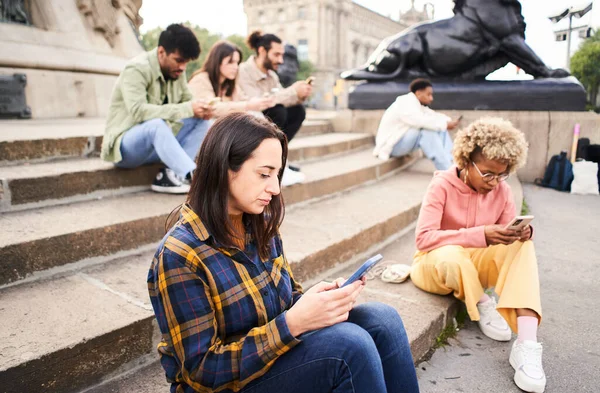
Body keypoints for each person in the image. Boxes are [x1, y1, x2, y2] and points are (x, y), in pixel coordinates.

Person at [147, 112, 419, 393]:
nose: (275, 188)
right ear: (224, 167)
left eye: (277, 175)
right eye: (264, 174)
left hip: (271, 358)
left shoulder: (259, 223)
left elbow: (288, 299)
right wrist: (294, 322)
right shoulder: (180, 254)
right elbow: (202, 371)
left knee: (382, 320)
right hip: (223, 386)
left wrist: (320, 302)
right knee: (348, 346)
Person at [410, 117, 545, 393]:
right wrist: (480, 234)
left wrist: (518, 234)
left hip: (474, 263)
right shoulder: (441, 186)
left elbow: (504, 237)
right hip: (432, 264)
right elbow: (424, 239)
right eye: (487, 174)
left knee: (523, 247)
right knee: (452, 255)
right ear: (465, 161)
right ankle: (483, 302)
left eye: (501, 175)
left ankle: (527, 345)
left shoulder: (502, 191)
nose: (495, 182)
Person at [101, 23, 213, 194]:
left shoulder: (177, 72)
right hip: (125, 148)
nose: (183, 67)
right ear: (161, 52)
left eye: (186, 62)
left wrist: (202, 109)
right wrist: (188, 108)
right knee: (156, 125)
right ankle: (193, 176)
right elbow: (138, 112)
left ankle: (172, 174)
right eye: (179, 60)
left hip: (157, 146)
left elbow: (188, 104)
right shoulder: (137, 69)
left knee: (202, 121)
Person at [237, 30, 313, 187]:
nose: (281, 60)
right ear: (262, 51)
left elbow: (280, 97)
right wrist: (292, 91)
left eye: (282, 55)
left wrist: (299, 95)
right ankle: (268, 162)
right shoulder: (243, 71)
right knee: (278, 111)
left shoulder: (272, 75)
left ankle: (278, 159)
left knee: (298, 111)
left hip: (265, 118)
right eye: (276, 55)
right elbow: (259, 102)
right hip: (246, 122)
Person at [373, 78, 459, 170]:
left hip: (402, 142)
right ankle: (446, 169)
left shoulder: (416, 104)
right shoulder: (405, 102)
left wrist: (448, 121)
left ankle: (452, 162)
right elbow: (421, 121)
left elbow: (433, 115)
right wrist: (445, 124)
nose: (431, 98)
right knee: (426, 131)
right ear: (418, 93)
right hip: (391, 147)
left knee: (440, 128)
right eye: (428, 94)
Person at [188, 40, 275, 118]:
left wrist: (261, 102)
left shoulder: (229, 84)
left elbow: (243, 99)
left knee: (259, 114)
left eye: (237, 62)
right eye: (231, 62)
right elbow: (212, 108)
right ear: (217, 61)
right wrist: (248, 105)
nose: (236, 67)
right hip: (197, 129)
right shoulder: (201, 79)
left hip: (222, 128)